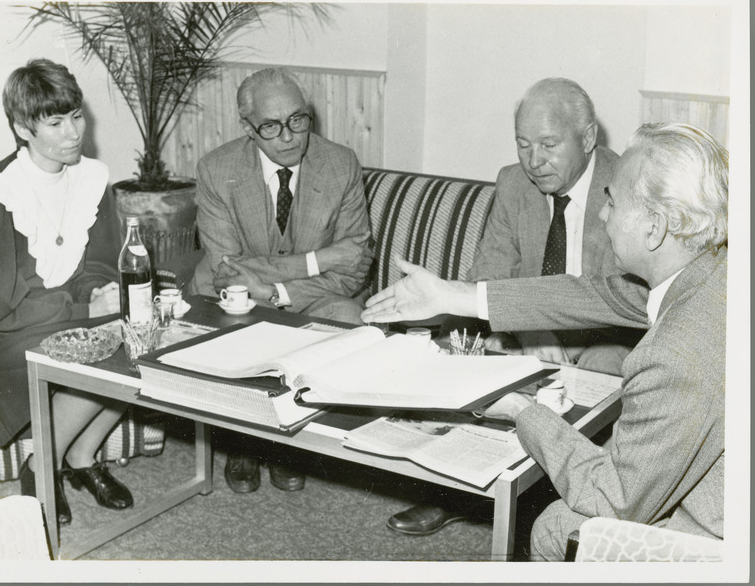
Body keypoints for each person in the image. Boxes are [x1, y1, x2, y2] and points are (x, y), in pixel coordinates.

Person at [362, 123, 726, 560]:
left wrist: (520, 410)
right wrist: (449, 294)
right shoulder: (711, 269)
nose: (604, 214)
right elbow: (594, 293)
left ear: (654, 227)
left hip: (722, 535)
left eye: (613, 202)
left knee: (557, 525)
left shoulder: (675, 356)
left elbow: (613, 500)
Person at [388, 77, 643, 536]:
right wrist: (530, 333)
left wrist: (551, 333)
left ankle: (560, 505)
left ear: (587, 139)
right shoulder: (513, 182)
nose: (534, 161)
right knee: (467, 348)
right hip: (525, 326)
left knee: (604, 370)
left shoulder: (626, 185)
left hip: (608, 334)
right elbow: (488, 276)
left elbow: (625, 295)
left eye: (548, 144)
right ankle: (457, 488)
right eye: (524, 144)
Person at [190, 67, 373, 494]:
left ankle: (292, 441)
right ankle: (243, 439)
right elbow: (227, 272)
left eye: (298, 120)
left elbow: (354, 269)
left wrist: (275, 289)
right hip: (234, 300)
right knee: (235, 323)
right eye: (271, 127)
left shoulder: (340, 163)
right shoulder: (217, 170)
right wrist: (319, 258)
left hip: (316, 297)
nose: (289, 136)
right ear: (248, 129)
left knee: (351, 320)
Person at [0, 59, 134, 525]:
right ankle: (41, 465)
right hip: (8, 332)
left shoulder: (90, 177)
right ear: (22, 127)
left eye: (76, 116)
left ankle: (83, 456)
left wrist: (102, 292)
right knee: (108, 348)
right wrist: (85, 306)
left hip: (72, 313)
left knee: (148, 335)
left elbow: (98, 260)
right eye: (55, 122)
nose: (73, 133)